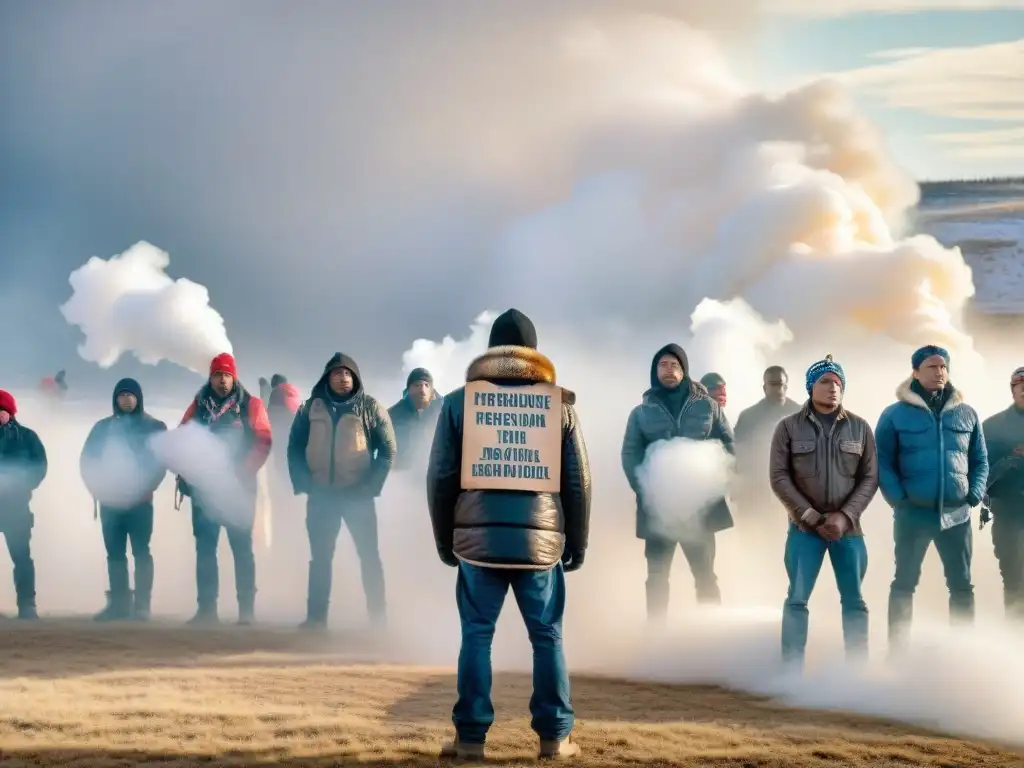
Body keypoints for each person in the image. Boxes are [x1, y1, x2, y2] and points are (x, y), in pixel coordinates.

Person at [427, 308, 591, 761]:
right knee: (548, 637)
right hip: (540, 546)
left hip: (477, 545)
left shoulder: (460, 401)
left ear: (490, 350)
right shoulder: (558, 403)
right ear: (534, 353)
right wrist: (575, 542)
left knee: (477, 636)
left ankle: (470, 740)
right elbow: (577, 480)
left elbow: (441, 476)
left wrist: (447, 541)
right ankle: (555, 739)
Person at [876, 345, 988, 651]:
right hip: (914, 513)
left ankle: (963, 654)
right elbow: (881, 461)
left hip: (957, 514)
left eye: (943, 367)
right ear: (915, 372)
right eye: (931, 367)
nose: (939, 372)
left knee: (962, 585)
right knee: (904, 584)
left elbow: (980, 460)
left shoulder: (966, 413)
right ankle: (898, 654)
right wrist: (899, 500)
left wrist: (974, 496)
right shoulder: (895, 414)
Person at [769, 355, 878, 668]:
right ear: (810, 387)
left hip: (849, 530)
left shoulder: (860, 428)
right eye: (825, 382)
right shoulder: (788, 428)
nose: (833, 388)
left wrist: (844, 518)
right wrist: (811, 516)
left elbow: (869, 478)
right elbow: (779, 477)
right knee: (797, 599)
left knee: (855, 601)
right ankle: (791, 671)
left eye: (838, 383)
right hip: (805, 530)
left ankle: (857, 671)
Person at [621, 344, 735, 619]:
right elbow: (630, 454)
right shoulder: (641, 412)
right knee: (657, 575)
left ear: (684, 370)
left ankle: (711, 633)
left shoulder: (708, 406)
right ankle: (656, 638)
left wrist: (715, 483)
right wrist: (647, 488)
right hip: (658, 506)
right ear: (654, 371)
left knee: (705, 572)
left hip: (701, 506)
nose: (668, 369)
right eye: (663, 364)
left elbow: (728, 444)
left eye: (674, 364)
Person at [287, 353, 396, 630]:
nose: (343, 378)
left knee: (368, 556)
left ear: (356, 378)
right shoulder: (310, 408)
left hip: (357, 495)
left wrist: (371, 486)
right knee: (321, 557)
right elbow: (294, 447)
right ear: (327, 377)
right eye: (336, 373)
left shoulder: (371, 407)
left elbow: (387, 451)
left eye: (348, 373)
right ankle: (316, 619)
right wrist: (304, 483)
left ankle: (378, 620)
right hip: (321, 495)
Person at [178, 353, 272, 626]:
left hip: (238, 490)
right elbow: (183, 437)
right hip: (204, 490)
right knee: (205, 548)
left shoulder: (250, 404)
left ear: (235, 377)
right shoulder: (198, 404)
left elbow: (263, 442)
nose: (222, 380)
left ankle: (246, 612)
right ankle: (206, 610)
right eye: (217, 375)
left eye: (226, 375)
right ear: (211, 377)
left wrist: (242, 472)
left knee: (241, 548)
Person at [80, 378, 168, 621]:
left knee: (141, 551)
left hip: (140, 501)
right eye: (122, 395)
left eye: (130, 395)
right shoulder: (102, 428)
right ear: (115, 399)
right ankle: (118, 604)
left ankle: (141, 606)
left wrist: (147, 488)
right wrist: (97, 489)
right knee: (115, 554)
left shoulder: (154, 427)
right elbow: (87, 461)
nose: (126, 399)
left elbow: (162, 462)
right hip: (110, 502)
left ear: (139, 398)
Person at [981, 366, 1024, 619]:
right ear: (1013, 390)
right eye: (1022, 387)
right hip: (1008, 513)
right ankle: (1016, 641)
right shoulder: (993, 427)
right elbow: (978, 473)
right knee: (1014, 580)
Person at [733, 366, 802, 521]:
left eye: (781, 384)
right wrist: (737, 487)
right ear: (764, 387)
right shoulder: (749, 416)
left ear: (786, 386)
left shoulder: (800, 414)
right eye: (773, 384)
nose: (778, 389)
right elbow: (737, 452)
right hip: (756, 488)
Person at [0, 390, 46, 619]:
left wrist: (20, 484)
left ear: (10, 412)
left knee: (21, 557)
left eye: (1, 411)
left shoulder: (27, 437)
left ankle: (27, 605)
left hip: (16, 507)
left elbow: (40, 467)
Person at [388, 367, 443, 471]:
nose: (422, 390)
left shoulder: (445, 410)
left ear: (432, 392)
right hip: (403, 475)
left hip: (438, 473)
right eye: (417, 385)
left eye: (426, 385)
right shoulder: (393, 415)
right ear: (408, 389)